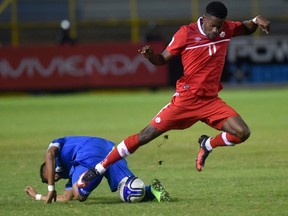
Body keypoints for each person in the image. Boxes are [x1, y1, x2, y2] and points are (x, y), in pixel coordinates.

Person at [77, 1, 271, 187]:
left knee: (242, 132)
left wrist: (256, 19)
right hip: (186, 100)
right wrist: (151, 56)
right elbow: (162, 59)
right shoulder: (186, 33)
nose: (216, 30)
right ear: (203, 19)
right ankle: (99, 168)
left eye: (219, 27)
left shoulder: (226, 28)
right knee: (145, 135)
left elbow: (246, 27)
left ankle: (208, 144)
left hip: (210, 101)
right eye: (213, 26)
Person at [24, 136, 171, 204]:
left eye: (51, 175)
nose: (53, 176)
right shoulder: (72, 172)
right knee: (129, 190)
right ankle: (152, 190)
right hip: (109, 149)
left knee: (80, 195)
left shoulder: (56, 145)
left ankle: (91, 174)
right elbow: (66, 198)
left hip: (87, 152)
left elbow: (49, 154)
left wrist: (50, 188)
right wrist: (37, 196)